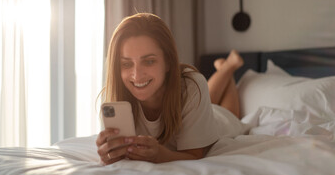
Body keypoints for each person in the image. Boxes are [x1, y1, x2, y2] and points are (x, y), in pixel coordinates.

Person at [96, 13, 244, 165]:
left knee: (226, 111)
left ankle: (229, 68)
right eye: (126, 64)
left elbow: (195, 155)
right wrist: (110, 153)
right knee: (206, 99)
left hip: (221, 121)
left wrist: (160, 155)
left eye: (149, 61)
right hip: (198, 108)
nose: (137, 75)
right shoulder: (116, 93)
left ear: (168, 61)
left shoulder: (192, 85)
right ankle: (225, 68)